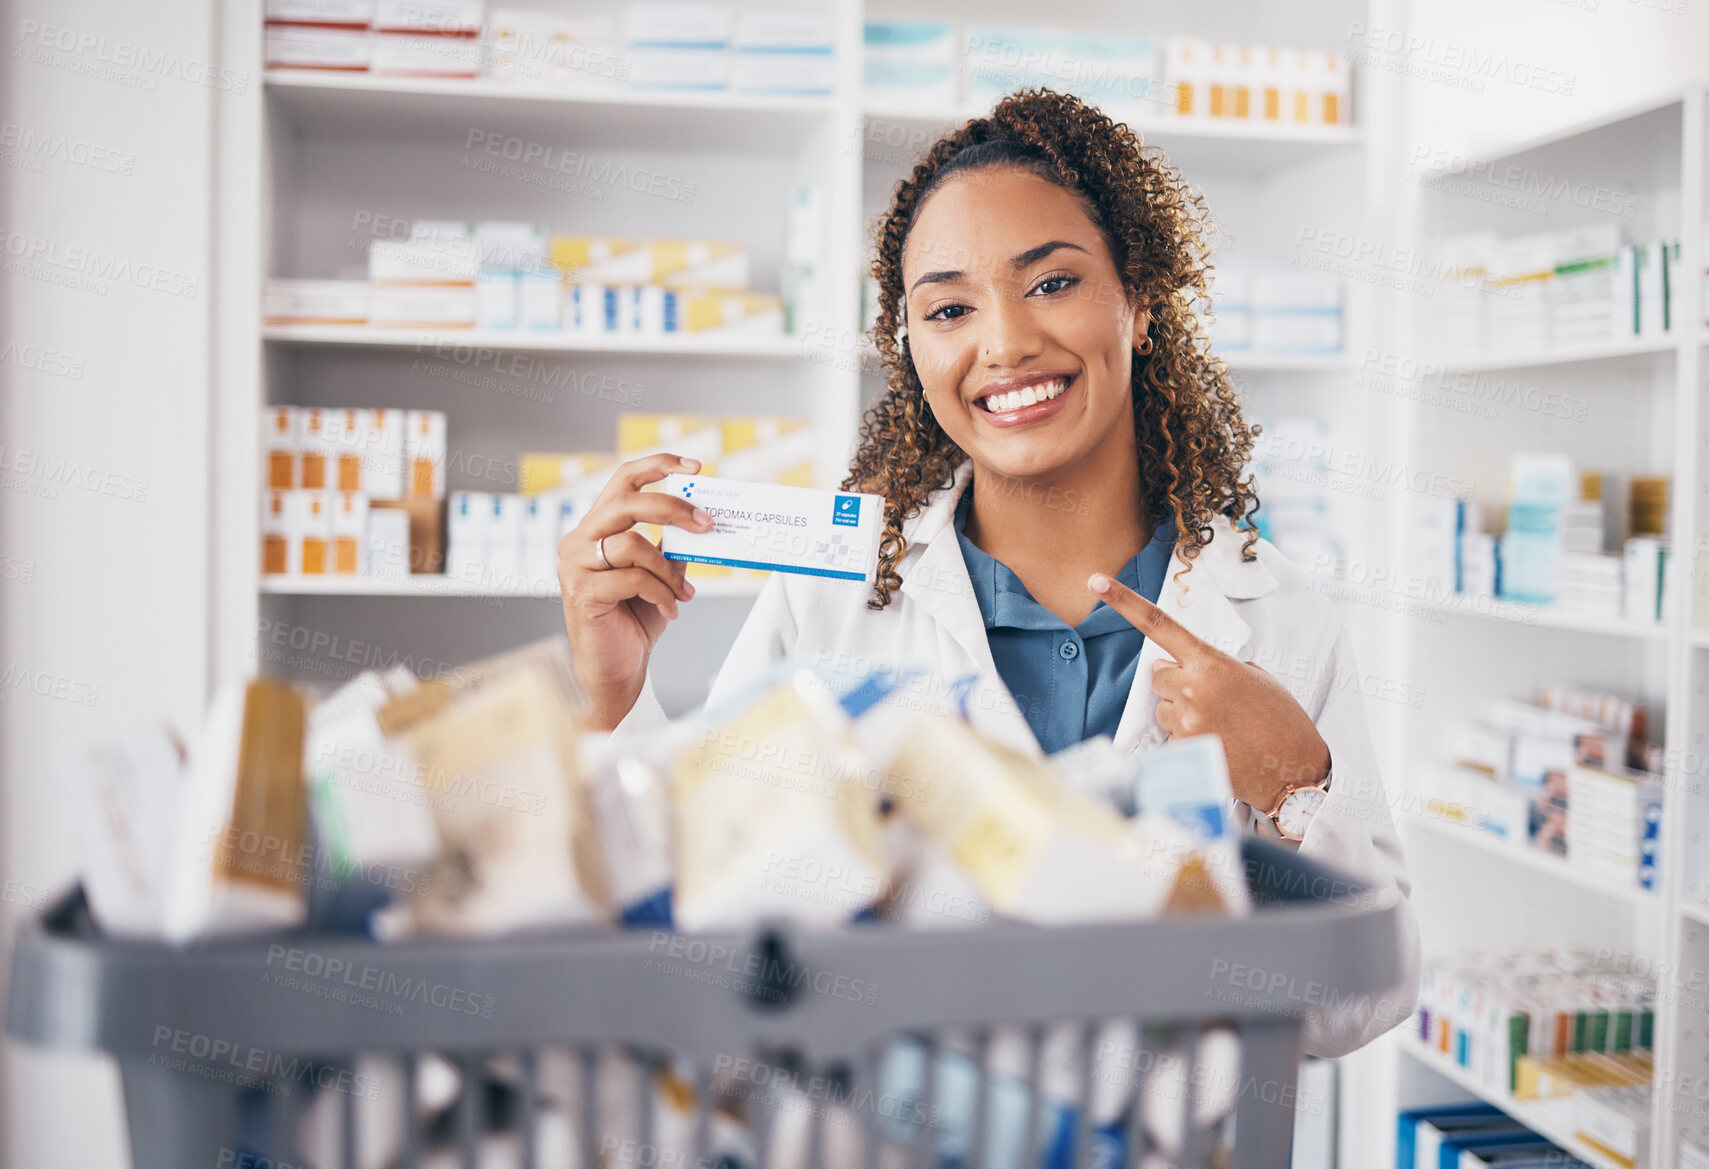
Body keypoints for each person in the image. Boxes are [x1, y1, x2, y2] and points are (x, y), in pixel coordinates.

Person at [558, 88, 1418, 1056]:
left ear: (1137, 301)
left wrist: (1299, 788)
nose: (1002, 343)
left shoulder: (1275, 613)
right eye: (949, 308)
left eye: (1049, 283)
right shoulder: (831, 597)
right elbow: (696, 923)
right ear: (912, 348)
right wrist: (613, 697)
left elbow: (1361, 1002)